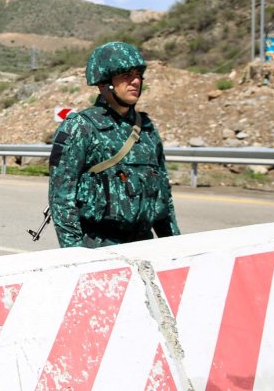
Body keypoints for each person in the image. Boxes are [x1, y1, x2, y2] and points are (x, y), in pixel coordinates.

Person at [47, 41, 179, 248]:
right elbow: (62, 198)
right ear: (104, 82)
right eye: (126, 75)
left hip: (146, 246)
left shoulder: (146, 127)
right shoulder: (80, 127)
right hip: (99, 248)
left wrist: (174, 247)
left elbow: (163, 195)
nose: (136, 81)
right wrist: (74, 254)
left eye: (138, 75)